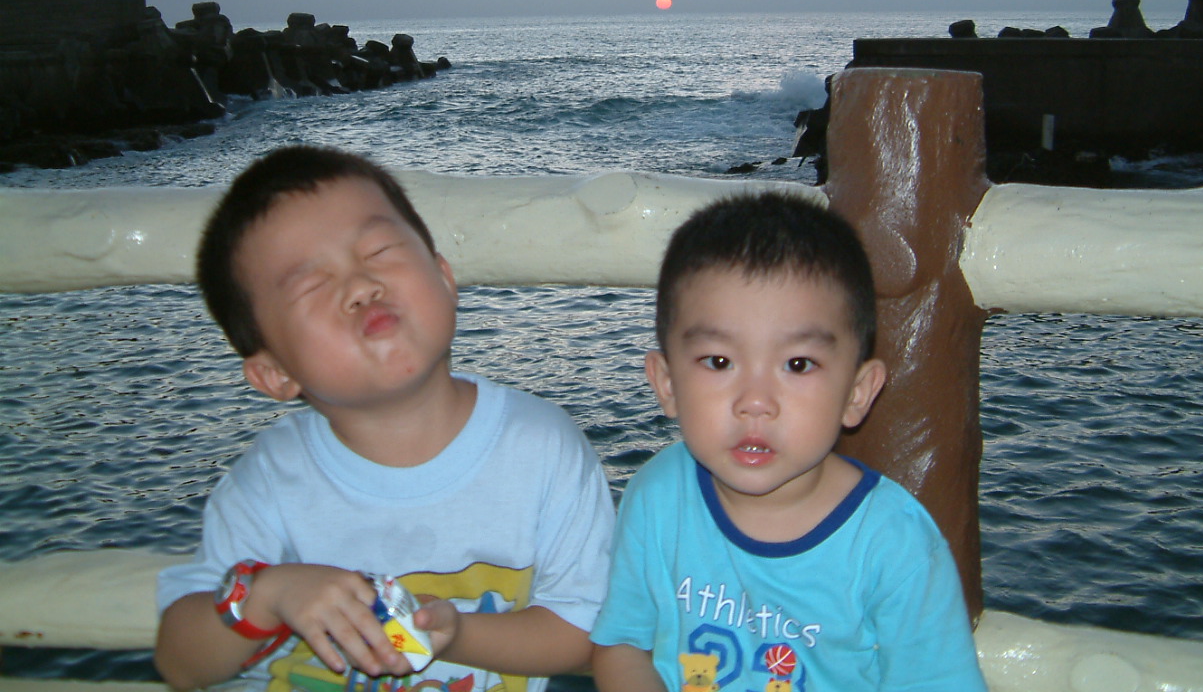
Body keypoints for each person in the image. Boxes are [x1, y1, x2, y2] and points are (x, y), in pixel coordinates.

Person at [154, 145, 614, 692]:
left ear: (444, 277)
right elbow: (182, 663)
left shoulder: (542, 448)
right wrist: (269, 595)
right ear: (275, 373)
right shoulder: (271, 479)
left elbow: (582, 633)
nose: (359, 285)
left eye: (378, 250)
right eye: (311, 285)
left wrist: (457, 635)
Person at [590, 192, 987, 691]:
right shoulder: (658, 495)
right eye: (718, 361)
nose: (756, 402)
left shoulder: (894, 546)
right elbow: (623, 644)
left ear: (857, 393)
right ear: (667, 384)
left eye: (798, 364)